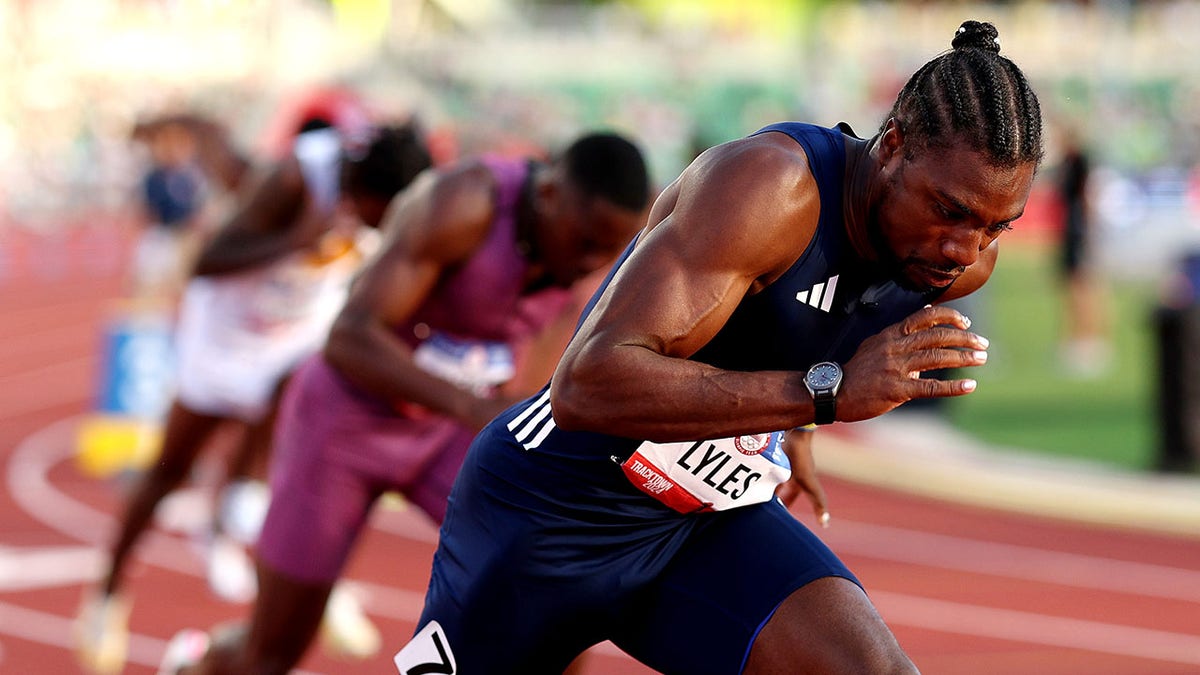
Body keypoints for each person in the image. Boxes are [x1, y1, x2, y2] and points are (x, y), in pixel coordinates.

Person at [397, 20, 1043, 674]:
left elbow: (807, 324)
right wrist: (822, 394)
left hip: (703, 523)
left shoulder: (958, 263)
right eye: (950, 210)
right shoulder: (769, 188)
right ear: (895, 145)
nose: (965, 248)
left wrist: (796, 424)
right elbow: (587, 385)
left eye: (996, 226)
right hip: (552, 509)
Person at [167, 130, 654, 674]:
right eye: (585, 242)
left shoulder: (601, 260)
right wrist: (473, 409)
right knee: (271, 653)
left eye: (608, 250)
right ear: (548, 197)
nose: (593, 261)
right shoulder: (463, 204)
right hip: (346, 424)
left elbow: (535, 385)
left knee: (555, 592)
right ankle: (195, 664)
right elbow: (348, 336)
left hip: (444, 435)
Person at [75, 118, 433, 675]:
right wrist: (296, 239)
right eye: (377, 214)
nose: (380, 227)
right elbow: (207, 260)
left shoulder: (401, 200)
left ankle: (299, 572)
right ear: (361, 192)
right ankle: (106, 596)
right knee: (170, 469)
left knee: (307, 450)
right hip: (225, 333)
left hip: (295, 333)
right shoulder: (296, 179)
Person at [1055, 127, 1109, 377]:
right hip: (1070, 229)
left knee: (1083, 287)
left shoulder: (1080, 161)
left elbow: (1087, 197)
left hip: (1078, 230)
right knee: (1072, 287)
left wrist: (1088, 233)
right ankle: (1077, 340)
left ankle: (1089, 342)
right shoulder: (1067, 161)